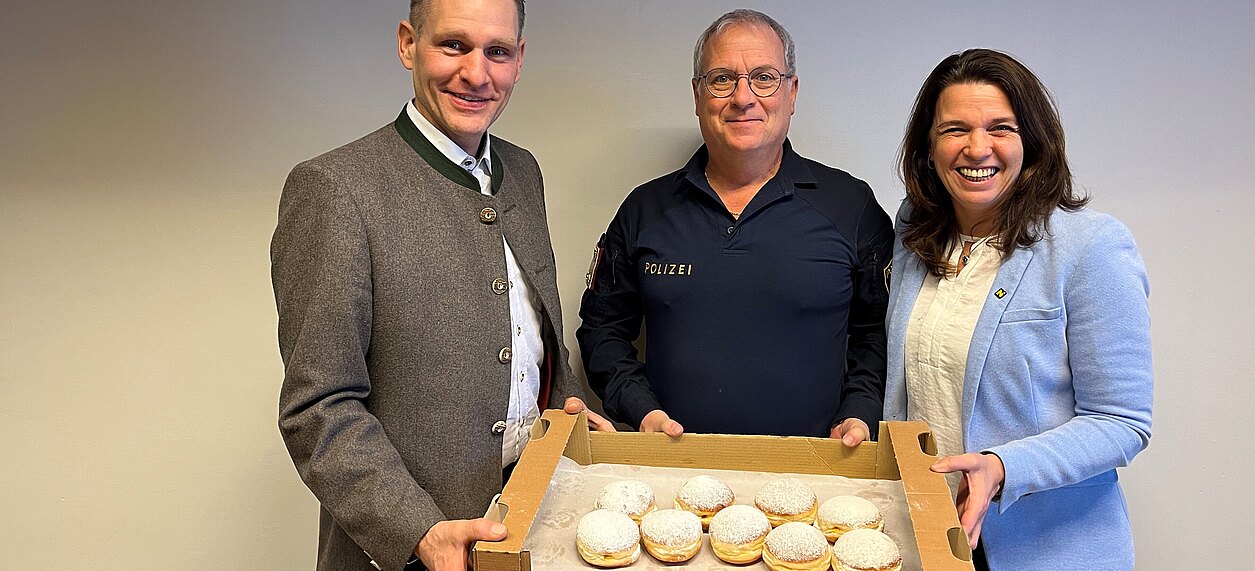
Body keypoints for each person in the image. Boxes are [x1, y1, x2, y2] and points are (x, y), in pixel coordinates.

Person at [270, 1, 608, 570]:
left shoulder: (523, 171)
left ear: (519, 60)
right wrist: (418, 530)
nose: (477, 74)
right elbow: (318, 406)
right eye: (454, 45)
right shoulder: (334, 188)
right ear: (408, 44)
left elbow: (527, 328)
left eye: (497, 52)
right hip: (411, 553)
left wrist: (562, 398)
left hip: (529, 525)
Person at [884, 48, 1153, 570]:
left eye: (1000, 128)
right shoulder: (914, 230)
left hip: (1041, 549)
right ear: (928, 147)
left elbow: (1122, 421)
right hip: (921, 535)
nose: (977, 148)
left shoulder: (1091, 247)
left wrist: (1001, 466)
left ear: (1032, 141)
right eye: (954, 129)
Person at [577, 9, 892, 445]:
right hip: (673, 474)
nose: (743, 98)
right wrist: (640, 409)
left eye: (764, 78)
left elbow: (878, 333)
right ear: (697, 94)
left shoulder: (850, 206)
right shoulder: (644, 210)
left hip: (817, 475)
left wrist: (860, 413)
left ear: (792, 92)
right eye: (722, 78)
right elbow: (602, 329)